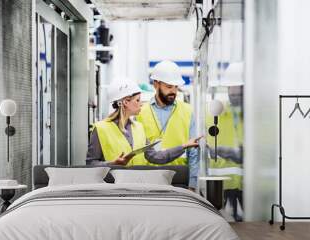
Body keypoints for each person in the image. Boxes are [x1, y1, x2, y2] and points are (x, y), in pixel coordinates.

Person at [86, 78, 201, 166]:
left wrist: (184, 146)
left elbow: (156, 157)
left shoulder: (138, 128)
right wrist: (112, 164)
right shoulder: (101, 129)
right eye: (137, 100)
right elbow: (91, 164)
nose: (141, 104)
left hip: (139, 190)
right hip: (114, 191)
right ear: (125, 102)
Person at [135, 61, 199, 190]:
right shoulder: (140, 112)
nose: (174, 91)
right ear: (156, 84)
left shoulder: (187, 111)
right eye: (169, 86)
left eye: (176, 87)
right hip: (148, 180)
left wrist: (193, 184)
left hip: (179, 179)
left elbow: (193, 152)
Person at [207, 62, 244, 221]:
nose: (233, 92)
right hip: (223, 185)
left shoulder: (257, 115)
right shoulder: (215, 114)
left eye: (237, 87)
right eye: (230, 88)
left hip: (249, 187)